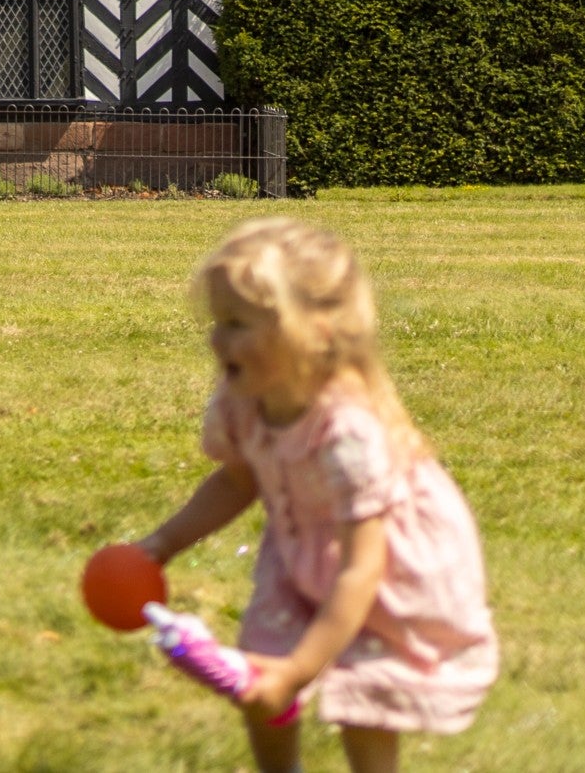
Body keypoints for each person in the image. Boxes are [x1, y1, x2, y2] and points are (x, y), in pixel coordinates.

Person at [132, 217, 497, 773]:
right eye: (217, 321)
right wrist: (162, 543)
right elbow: (238, 479)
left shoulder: (346, 433)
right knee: (260, 670)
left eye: (237, 324)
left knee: (365, 696)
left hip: (384, 570)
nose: (216, 339)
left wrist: (301, 669)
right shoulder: (241, 400)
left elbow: (360, 570)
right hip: (302, 549)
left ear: (316, 332)